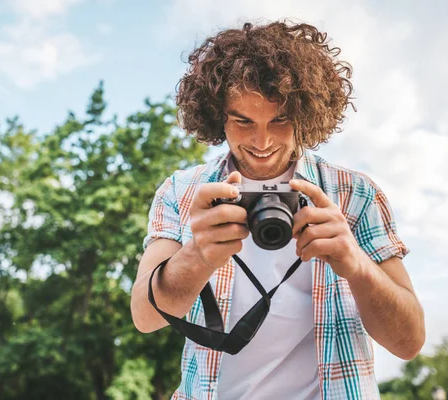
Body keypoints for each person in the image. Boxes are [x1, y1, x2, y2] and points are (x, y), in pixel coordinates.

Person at [130, 20, 425, 399]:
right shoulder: (182, 192)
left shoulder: (355, 195)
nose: (262, 140)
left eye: (280, 120)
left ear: (305, 114)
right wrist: (196, 256)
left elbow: (409, 342)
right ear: (217, 115)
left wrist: (355, 264)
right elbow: (145, 315)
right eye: (243, 121)